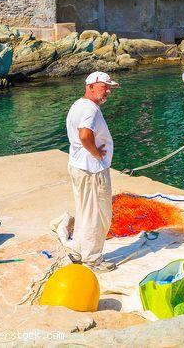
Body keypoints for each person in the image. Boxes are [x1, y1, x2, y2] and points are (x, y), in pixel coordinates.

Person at [65, 71, 119, 272]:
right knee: (99, 215)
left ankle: (78, 251)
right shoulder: (91, 110)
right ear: (92, 85)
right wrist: (96, 153)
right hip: (92, 170)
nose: (108, 91)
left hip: (79, 165)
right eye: (105, 87)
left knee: (84, 212)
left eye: (109, 87)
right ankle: (93, 259)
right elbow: (85, 135)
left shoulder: (78, 105)